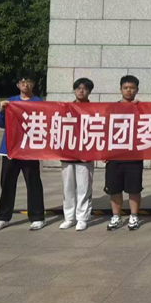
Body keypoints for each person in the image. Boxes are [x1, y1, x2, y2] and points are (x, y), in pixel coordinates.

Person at [0, 72, 46, 232]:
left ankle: (37, 217)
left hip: (29, 149)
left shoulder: (39, 102)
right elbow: (2, 124)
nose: (26, 84)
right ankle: (2, 217)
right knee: (7, 183)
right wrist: (1, 111)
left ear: (33, 84)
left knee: (33, 183)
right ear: (18, 85)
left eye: (28, 81)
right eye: (22, 82)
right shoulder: (11, 102)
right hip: (11, 149)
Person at [105, 75, 144, 231]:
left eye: (132, 88)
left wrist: (139, 108)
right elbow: (105, 130)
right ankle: (116, 216)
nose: (129, 91)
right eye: (126, 88)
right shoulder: (112, 108)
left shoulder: (142, 108)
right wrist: (104, 152)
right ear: (120, 89)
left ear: (137, 90)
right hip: (115, 155)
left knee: (134, 188)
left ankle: (134, 216)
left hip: (134, 155)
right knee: (114, 188)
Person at [60, 77, 95, 232]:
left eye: (85, 89)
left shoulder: (94, 109)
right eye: (78, 88)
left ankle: (82, 218)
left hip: (85, 153)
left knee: (84, 188)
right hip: (67, 152)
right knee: (68, 187)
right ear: (74, 90)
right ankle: (69, 217)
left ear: (89, 92)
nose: (81, 91)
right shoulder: (66, 108)